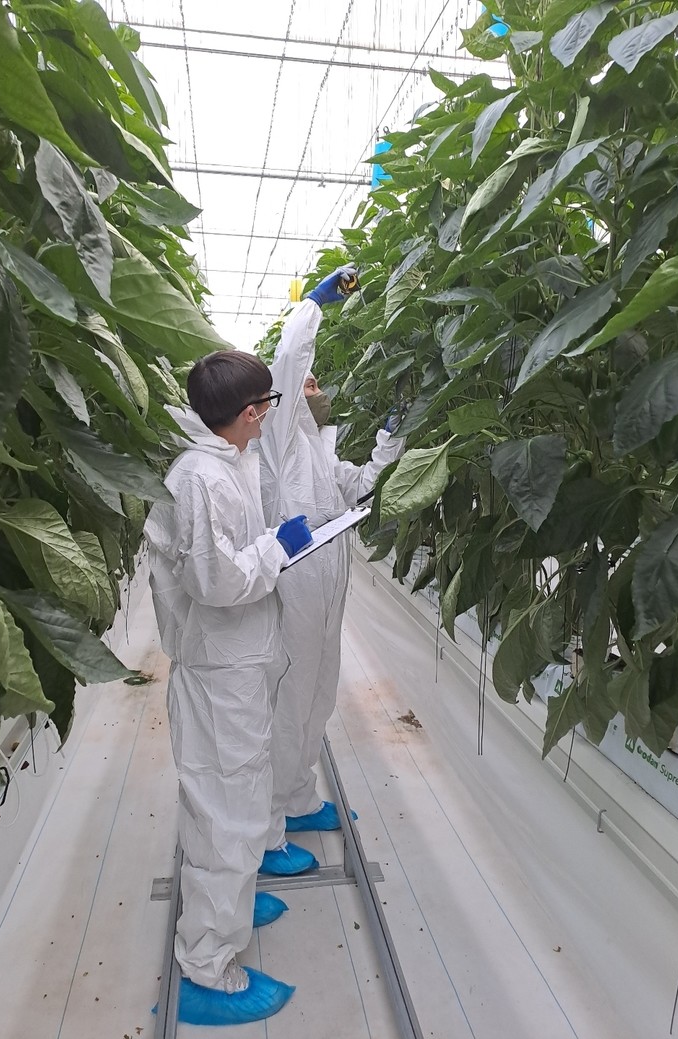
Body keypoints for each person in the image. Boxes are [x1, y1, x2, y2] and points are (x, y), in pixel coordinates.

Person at [144, 350, 315, 1027]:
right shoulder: (200, 479)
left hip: (236, 661)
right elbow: (216, 582)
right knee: (227, 813)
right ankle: (207, 968)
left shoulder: (224, 461)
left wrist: (271, 539)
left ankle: (231, 906)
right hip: (220, 670)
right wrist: (278, 548)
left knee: (237, 795)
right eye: (268, 405)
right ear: (249, 413)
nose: (270, 415)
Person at [259, 265, 406, 852]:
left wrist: (391, 439)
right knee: (290, 697)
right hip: (295, 584)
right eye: (308, 384)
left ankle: (297, 798)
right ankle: (268, 825)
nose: (315, 387)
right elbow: (289, 360)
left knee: (318, 691)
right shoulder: (278, 441)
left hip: (327, 587)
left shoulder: (319, 450)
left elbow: (361, 485)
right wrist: (315, 303)